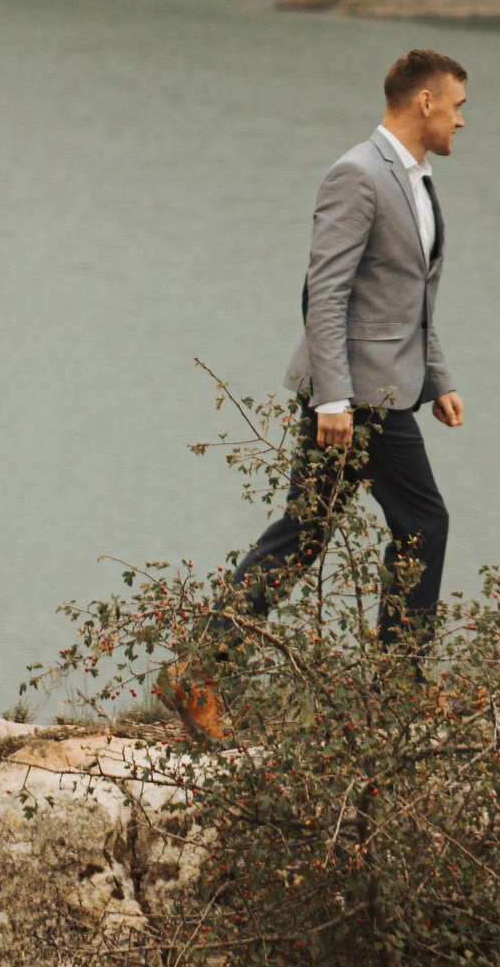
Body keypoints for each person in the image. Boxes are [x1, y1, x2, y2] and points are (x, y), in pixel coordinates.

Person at [160, 46, 469, 737]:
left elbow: (408, 299)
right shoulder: (358, 174)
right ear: (424, 101)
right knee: (423, 523)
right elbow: (324, 293)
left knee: (303, 533)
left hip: (382, 389)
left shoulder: (417, 179)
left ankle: (197, 669)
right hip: (358, 399)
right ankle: (400, 687)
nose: (461, 120)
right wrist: (332, 399)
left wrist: (438, 378)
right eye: (457, 105)